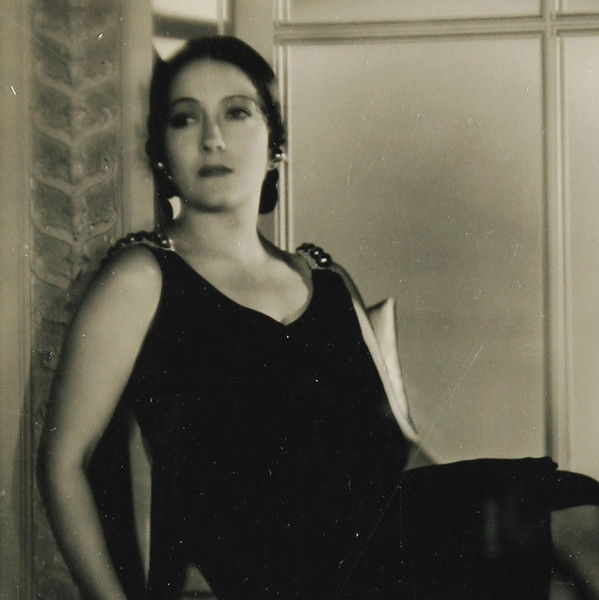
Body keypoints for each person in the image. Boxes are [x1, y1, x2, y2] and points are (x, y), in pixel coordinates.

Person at [38, 35, 599, 600]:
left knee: (572, 523)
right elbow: (64, 461)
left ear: (275, 144)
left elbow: (394, 447)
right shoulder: (143, 276)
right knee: (572, 526)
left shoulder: (325, 280)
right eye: (185, 118)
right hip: (276, 569)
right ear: (162, 150)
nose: (212, 138)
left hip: (377, 543)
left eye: (237, 112)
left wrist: (480, 505)